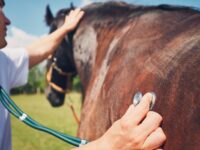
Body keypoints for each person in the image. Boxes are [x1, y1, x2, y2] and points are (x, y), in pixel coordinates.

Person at [0, 0, 166, 150]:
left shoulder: (3, 61)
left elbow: (38, 50)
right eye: (0, 8)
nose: (8, 20)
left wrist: (65, 27)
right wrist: (108, 145)